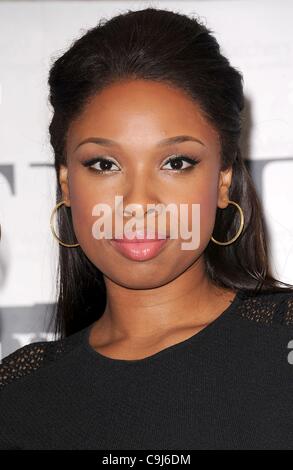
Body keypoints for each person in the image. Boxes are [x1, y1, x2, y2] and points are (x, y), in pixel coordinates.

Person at [1, 7, 293, 450]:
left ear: (222, 181)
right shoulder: (18, 397)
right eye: (104, 164)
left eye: (176, 163)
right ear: (66, 183)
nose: (137, 203)